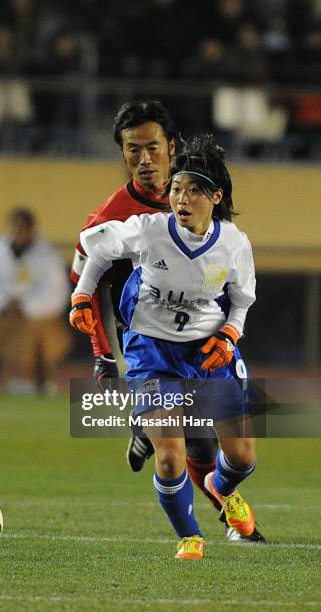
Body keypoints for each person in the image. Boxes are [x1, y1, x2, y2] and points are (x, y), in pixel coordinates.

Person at [70, 100, 264, 543]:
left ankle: (168, 447)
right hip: (149, 341)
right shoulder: (114, 219)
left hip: (205, 334)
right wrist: (103, 355)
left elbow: (231, 276)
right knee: (187, 447)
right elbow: (84, 274)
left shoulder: (201, 193)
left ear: (170, 147)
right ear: (122, 154)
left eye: (152, 148)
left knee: (228, 449)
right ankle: (222, 526)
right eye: (132, 150)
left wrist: (230, 330)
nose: (144, 160)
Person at [0, 207, 70, 393]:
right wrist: (2, 305)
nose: (19, 233)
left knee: (35, 333)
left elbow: (56, 292)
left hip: (36, 314)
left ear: (31, 229)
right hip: (2, 313)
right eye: (15, 228)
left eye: (23, 228)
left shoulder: (48, 256)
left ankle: (33, 380)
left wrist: (26, 307)